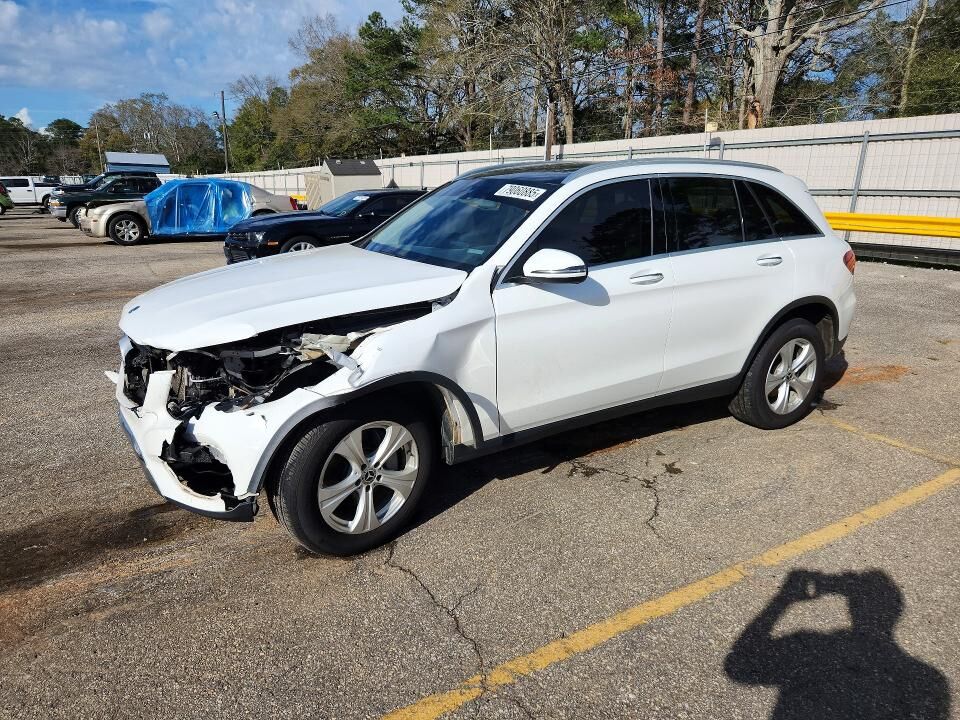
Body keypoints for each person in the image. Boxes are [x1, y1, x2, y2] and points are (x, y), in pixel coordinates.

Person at [725, 569, 949, 720]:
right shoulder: (929, 681)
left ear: (852, 608)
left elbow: (738, 665)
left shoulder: (815, 649)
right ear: (895, 611)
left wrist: (783, 599)